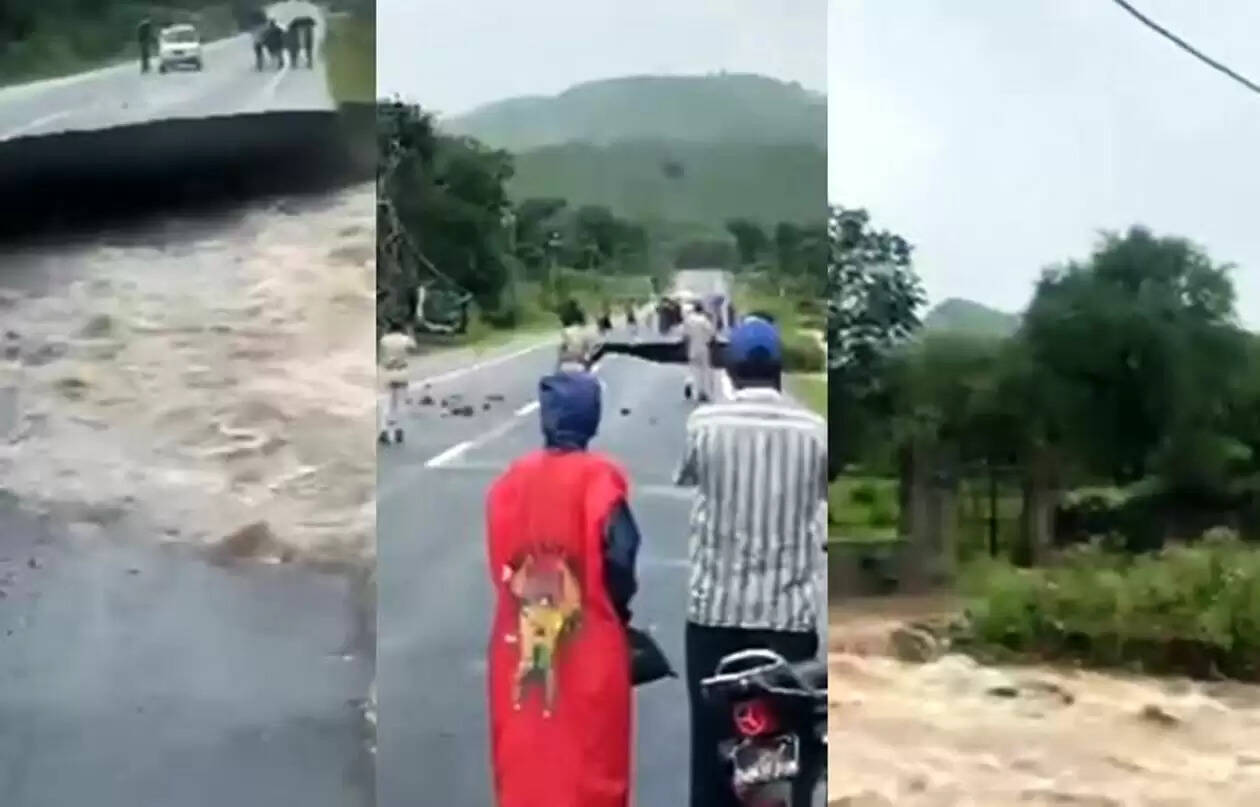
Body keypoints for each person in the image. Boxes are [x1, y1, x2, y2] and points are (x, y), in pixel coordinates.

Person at [674, 317, 827, 807]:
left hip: (714, 616)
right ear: (780, 370)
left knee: (711, 743)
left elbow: (688, 477)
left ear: (731, 369)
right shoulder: (816, 432)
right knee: (793, 750)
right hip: (787, 620)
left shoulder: (704, 424)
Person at [486, 371, 641, 807]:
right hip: (589, 645)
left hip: (516, 642)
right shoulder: (600, 479)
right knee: (591, 764)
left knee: (525, 759)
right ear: (590, 419)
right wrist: (619, 615)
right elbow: (621, 559)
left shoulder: (508, 483)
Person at [378, 323, 416, 444]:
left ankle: (384, 430)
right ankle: (399, 430)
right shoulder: (405, 339)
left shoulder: (384, 340)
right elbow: (414, 346)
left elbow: (381, 353)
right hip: (402, 372)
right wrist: (410, 332)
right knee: (400, 403)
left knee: (387, 403)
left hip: (388, 372)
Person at [682, 302, 715, 402]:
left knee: (693, 369)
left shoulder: (688, 320)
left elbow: (685, 335)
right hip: (703, 347)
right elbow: (712, 332)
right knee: (704, 370)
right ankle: (702, 393)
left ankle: (689, 382)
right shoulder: (704, 320)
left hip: (692, 347)